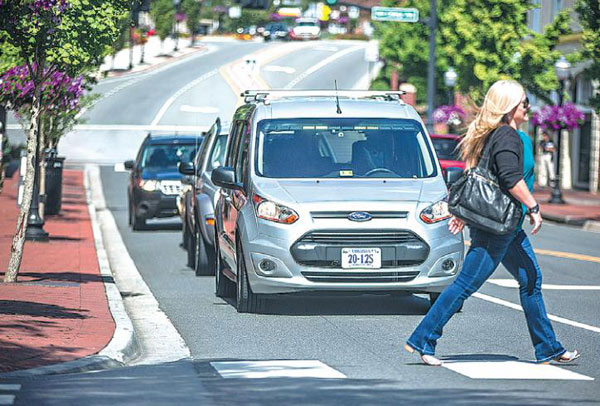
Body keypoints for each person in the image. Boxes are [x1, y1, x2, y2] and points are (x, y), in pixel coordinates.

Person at [404, 80, 580, 366]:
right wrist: (534, 207)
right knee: (464, 285)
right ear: (511, 107)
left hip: (505, 226)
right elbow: (510, 179)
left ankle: (548, 348)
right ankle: (423, 339)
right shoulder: (507, 136)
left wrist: (465, 213)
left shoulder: (495, 135)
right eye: (524, 103)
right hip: (496, 227)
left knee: (531, 281)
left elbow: (481, 177)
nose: (528, 108)